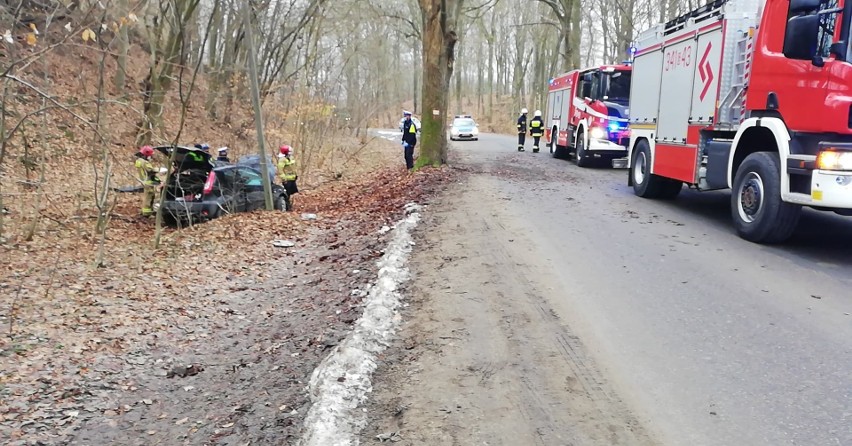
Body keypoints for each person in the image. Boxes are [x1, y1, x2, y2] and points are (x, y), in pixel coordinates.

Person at [134, 145, 160, 217]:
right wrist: (158, 170)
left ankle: (147, 211)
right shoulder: (145, 163)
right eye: (150, 155)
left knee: (147, 196)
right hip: (148, 182)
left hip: (143, 180)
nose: (150, 157)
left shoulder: (138, 161)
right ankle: (147, 213)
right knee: (149, 197)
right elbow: (150, 170)